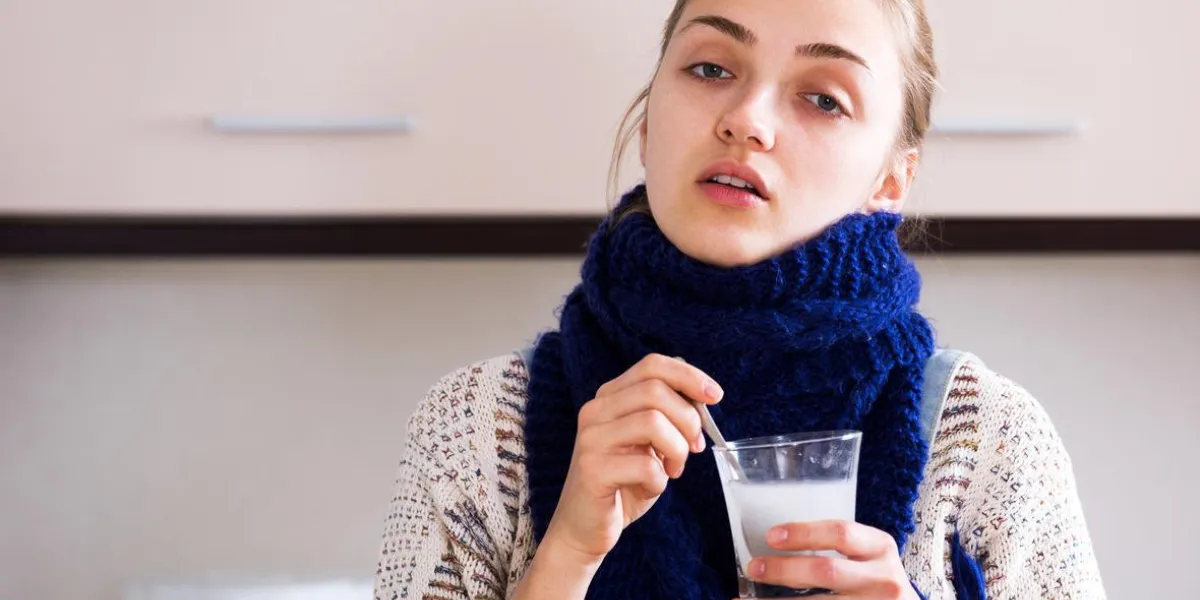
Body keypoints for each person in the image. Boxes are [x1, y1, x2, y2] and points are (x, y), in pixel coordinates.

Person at [372, 0, 1106, 598]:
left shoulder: (988, 444)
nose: (747, 119)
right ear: (652, 119)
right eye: (711, 66)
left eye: (823, 98)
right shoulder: (471, 432)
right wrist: (563, 559)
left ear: (890, 180)